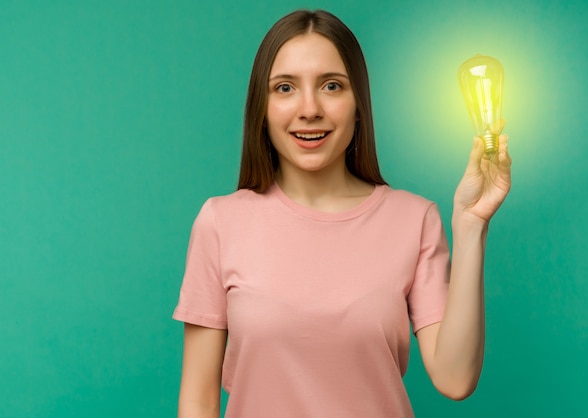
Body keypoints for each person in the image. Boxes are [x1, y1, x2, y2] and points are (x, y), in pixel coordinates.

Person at [173, 9, 511, 418]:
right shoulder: (220, 223)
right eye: (285, 88)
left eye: (331, 85)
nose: (309, 108)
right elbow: (198, 401)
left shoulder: (414, 219)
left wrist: (471, 225)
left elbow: (455, 379)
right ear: (261, 107)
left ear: (358, 105)